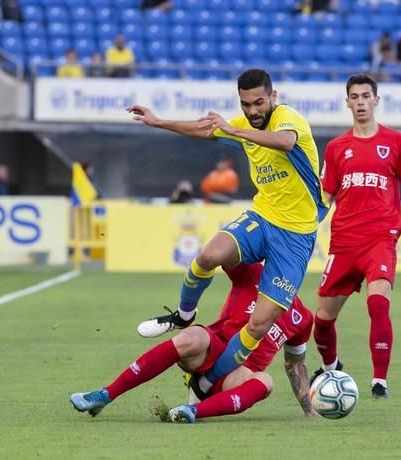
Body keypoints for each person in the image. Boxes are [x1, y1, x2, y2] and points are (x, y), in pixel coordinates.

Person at [127, 69, 327, 399]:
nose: (253, 110)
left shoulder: (287, 118)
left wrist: (236, 129)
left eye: (259, 102)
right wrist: (159, 121)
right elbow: (205, 129)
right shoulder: (245, 123)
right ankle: (184, 315)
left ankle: (206, 384)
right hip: (262, 218)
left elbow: (285, 141)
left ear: (273, 97)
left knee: (259, 325)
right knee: (209, 256)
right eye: (246, 104)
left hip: (295, 235)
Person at [312, 74, 401, 399]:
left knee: (377, 303)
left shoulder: (396, 142)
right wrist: (303, 229)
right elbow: (326, 198)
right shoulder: (336, 148)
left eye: (366, 96)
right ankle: (331, 366)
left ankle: (379, 382)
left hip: (380, 239)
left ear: (377, 100)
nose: (360, 102)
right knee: (322, 319)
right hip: (344, 242)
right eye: (354, 97)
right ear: (347, 102)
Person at [69, 263, 316, 423]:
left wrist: (309, 409)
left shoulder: (303, 318)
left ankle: (193, 411)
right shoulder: (254, 274)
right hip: (212, 350)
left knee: (265, 380)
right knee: (192, 336)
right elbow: (222, 255)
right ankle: (105, 394)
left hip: (236, 376)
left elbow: (295, 365)